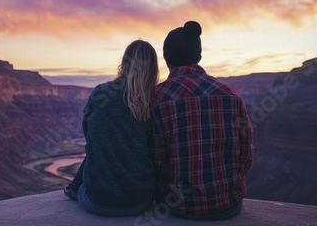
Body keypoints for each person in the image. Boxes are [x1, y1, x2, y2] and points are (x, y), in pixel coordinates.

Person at [150, 21, 254, 220]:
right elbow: (246, 152)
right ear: (199, 56)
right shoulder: (230, 94)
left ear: (166, 58)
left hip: (180, 207)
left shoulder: (157, 98)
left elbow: (157, 162)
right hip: (229, 204)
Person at [64, 39, 159, 216]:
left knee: (95, 150)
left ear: (124, 63)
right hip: (141, 201)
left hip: (98, 201)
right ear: (153, 68)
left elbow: (89, 135)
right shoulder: (155, 100)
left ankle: (73, 189)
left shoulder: (101, 93)